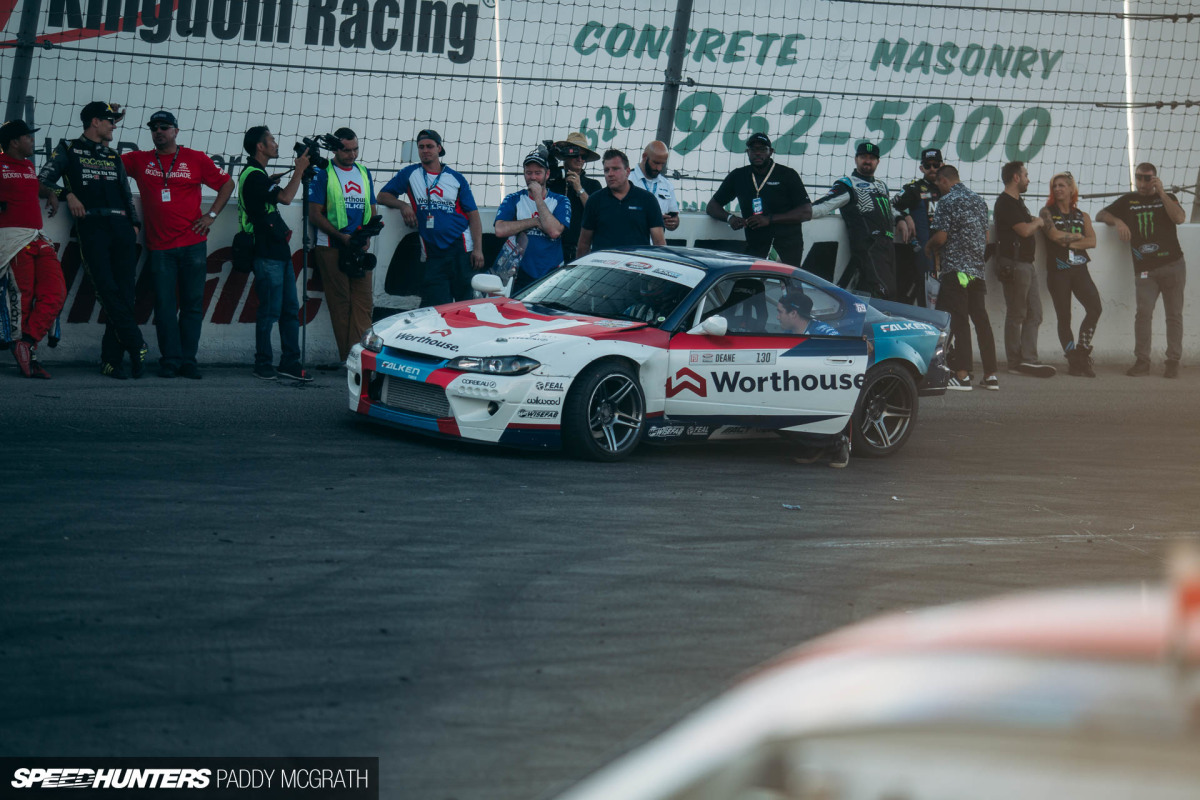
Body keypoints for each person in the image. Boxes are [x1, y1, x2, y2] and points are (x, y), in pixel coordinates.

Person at [38, 101, 149, 379]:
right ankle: (136, 343)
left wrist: (134, 224)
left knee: (125, 294)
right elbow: (41, 180)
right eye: (110, 120)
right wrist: (68, 195)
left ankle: (112, 360)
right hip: (93, 227)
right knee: (107, 290)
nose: (114, 125)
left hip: (122, 227)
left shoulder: (113, 156)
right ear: (95, 122)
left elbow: (125, 191)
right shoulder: (68, 148)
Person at [122, 110, 233, 379]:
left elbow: (227, 183)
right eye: (154, 128)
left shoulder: (195, 158)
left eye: (164, 127)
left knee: (192, 305)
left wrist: (212, 215)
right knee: (164, 306)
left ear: (175, 131)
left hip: (193, 244)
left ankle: (188, 360)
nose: (159, 131)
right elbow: (104, 162)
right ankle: (170, 360)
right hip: (160, 248)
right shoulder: (140, 160)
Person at [1096, 162, 1188, 378]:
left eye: (1148, 178)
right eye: (1139, 177)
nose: (1143, 182)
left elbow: (1180, 218)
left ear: (1155, 179)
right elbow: (1101, 214)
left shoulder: (1166, 198)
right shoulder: (1128, 200)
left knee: (1174, 315)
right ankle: (1142, 360)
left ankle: (1173, 360)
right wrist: (1118, 221)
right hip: (1144, 269)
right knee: (1143, 314)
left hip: (1173, 264)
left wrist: (1162, 193)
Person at [238, 125, 311, 382]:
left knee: (290, 309)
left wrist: (272, 181)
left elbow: (268, 196)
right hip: (266, 252)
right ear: (260, 146)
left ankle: (290, 362)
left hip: (279, 251)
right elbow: (286, 198)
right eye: (271, 140)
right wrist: (299, 170)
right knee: (269, 311)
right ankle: (263, 362)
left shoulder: (258, 175)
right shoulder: (253, 175)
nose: (276, 143)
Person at [378, 128, 483, 307]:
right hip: (433, 253)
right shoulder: (410, 174)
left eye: (429, 146)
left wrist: (478, 249)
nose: (425, 150)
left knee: (464, 306)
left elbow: (473, 216)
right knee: (438, 307)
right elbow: (382, 196)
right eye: (421, 147)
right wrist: (404, 205)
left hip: (461, 248)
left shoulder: (456, 178)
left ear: (439, 149)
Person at [306, 126, 377, 364]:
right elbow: (314, 214)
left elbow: (372, 208)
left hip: (358, 246)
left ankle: (360, 359)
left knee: (363, 304)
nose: (353, 154)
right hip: (331, 246)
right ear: (336, 149)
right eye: (347, 150)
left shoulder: (364, 172)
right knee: (341, 305)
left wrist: (366, 235)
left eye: (356, 149)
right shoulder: (323, 172)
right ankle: (350, 360)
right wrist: (340, 236)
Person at [0, 119, 65, 378]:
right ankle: (28, 353)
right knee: (22, 297)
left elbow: (34, 185)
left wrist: (49, 192)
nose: (32, 141)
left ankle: (26, 342)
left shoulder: (27, 165)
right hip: (13, 239)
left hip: (37, 237)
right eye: (28, 137)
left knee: (56, 291)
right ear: (14, 142)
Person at [926, 165, 998, 391]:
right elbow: (986, 238)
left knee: (959, 319)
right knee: (981, 320)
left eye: (938, 184)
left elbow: (940, 237)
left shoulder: (946, 202)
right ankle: (991, 375)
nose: (938, 188)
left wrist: (927, 248)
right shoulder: (979, 201)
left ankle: (963, 375)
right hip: (976, 272)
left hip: (956, 271)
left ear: (944, 180)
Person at [811, 142, 907, 299]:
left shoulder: (881, 185)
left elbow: (890, 208)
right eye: (863, 157)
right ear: (856, 159)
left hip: (887, 245)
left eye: (871, 158)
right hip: (868, 244)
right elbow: (824, 205)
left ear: (878, 161)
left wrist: (901, 218)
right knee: (884, 291)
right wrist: (800, 213)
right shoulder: (847, 184)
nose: (867, 161)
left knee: (875, 290)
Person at [705, 132, 811, 266]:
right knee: (750, 285)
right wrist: (730, 218)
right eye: (753, 150)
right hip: (756, 245)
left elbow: (806, 212)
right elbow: (712, 206)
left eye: (762, 149)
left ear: (771, 151)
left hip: (786, 246)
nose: (757, 153)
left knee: (789, 286)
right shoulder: (739, 175)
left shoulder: (787, 174)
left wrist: (769, 219)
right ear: (747, 152)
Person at [994, 161, 1055, 377]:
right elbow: (1025, 230)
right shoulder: (1005, 203)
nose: (1029, 179)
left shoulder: (1018, 203)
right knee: (1017, 314)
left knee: (1035, 313)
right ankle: (1014, 362)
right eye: (1026, 175)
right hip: (1014, 265)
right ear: (1016, 177)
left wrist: (1035, 220)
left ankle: (1029, 359)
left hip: (1026, 265)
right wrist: (1039, 222)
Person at [1039, 172, 1100, 378]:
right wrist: (1077, 237)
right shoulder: (1046, 212)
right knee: (1064, 316)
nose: (1057, 189)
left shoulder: (1083, 216)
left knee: (1095, 308)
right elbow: (1054, 235)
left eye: (1062, 185)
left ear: (1071, 189)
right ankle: (1073, 359)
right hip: (1058, 271)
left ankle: (1082, 352)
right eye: (1054, 186)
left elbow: (1092, 241)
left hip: (1080, 269)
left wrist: (1069, 242)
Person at [494, 146, 569, 293]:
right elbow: (500, 229)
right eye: (528, 173)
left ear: (547, 174)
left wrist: (538, 198)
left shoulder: (561, 200)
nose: (533, 177)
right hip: (520, 272)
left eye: (537, 173)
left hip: (552, 271)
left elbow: (554, 231)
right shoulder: (513, 199)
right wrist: (534, 222)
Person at [576, 149, 665, 257]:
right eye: (606, 170)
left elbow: (659, 243)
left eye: (615, 169)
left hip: (636, 268)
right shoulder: (595, 200)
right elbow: (584, 243)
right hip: (603, 268)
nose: (610, 174)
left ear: (627, 172)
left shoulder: (647, 200)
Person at [892, 148, 942, 306]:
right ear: (922, 168)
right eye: (928, 165)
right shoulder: (914, 188)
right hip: (923, 252)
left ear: (942, 165)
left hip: (946, 252)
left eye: (935, 165)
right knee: (925, 295)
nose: (932, 169)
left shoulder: (948, 189)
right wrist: (904, 216)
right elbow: (891, 205)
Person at [546, 131, 602, 264]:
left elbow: (598, 214)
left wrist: (579, 189)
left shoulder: (593, 185)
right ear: (566, 155)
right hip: (550, 249)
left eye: (584, 156)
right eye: (575, 153)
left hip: (580, 252)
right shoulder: (552, 180)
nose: (580, 159)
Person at [629, 140, 680, 233]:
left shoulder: (667, 184)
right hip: (631, 243)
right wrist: (654, 219)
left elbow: (674, 217)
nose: (659, 168)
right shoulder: (627, 180)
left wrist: (673, 222)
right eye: (656, 163)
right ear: (644, 157)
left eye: (662, 164)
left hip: (656, 244)